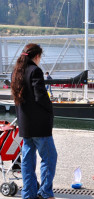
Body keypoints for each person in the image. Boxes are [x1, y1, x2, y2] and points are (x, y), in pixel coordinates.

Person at [11, 43, 57, 199]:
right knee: (49, 158)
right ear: (36, 56)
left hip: (25, 124)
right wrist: (50, 111)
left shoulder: (17, 71)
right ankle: (45, 192)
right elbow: (40, 96)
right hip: (40, 125)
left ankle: (28, 193)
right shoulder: (35, 71)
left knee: (27, 161)